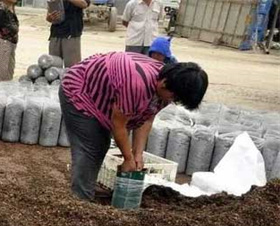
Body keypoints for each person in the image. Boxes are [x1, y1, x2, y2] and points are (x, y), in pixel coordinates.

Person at [59, 52, 208, 200]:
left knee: (101, 143)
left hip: (106, 97)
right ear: (163, 84)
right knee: (92, 147)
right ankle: (80, 201)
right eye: (174, 98)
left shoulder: (169, 84)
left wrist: (137, 154)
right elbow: (119, 125)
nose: (173, 101)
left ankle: (86, 187)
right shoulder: (136, 83)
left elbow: (147, 119)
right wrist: (128, 158)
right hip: (80, 90)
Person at [46, 0, 90, 68]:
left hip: (71, 35)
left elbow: (84, 4)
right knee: (53, 68)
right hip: (55, 35)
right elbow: (48, 16)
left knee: (73, 68)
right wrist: (50, 17)